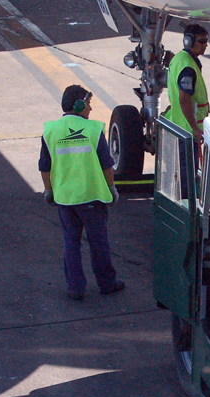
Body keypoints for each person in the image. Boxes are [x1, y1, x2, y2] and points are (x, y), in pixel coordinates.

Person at [39, 85, 124, 301]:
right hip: (91, 198)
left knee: (71, 242)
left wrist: (49, 190)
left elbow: (44, 166)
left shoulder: (50, 131)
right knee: (98, 242)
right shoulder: (93, 130)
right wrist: (112, 189)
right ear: (78, 105)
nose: (90, 109)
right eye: (88, 104)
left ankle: (75, 288)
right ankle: (106, 283)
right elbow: (107, 165)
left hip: (65, 199)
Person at [166, 24, 210, 144]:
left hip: (181, 127)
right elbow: (184, 99)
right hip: (188, 132)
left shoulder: (180, 59)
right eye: (202, 41)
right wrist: (195, 129)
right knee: (189, 163)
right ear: (188, 42)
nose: (206, 45)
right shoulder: (187, 68)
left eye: (206, 41)